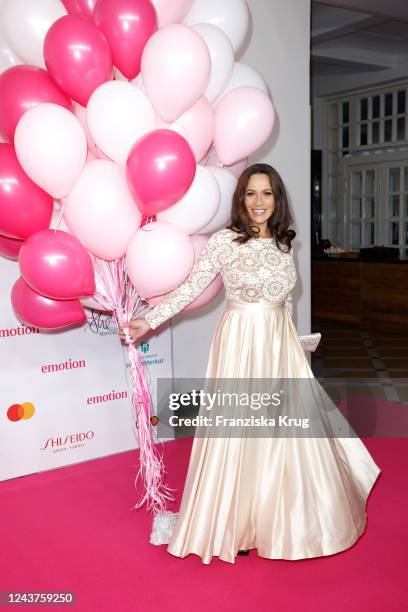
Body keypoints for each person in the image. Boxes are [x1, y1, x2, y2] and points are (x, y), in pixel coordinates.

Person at [119, 163, 381, 564]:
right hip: (240, 341)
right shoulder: (225, 242)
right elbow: (192, 286)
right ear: (241, 199)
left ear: (278, 199)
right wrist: (149, 320)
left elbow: (286, 301)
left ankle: (282, 519)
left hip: (279, 342)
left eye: (267, 194)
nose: (259, 202)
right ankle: (234, 523)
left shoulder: (284, 242)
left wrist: (295, 343)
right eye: (251, 193)